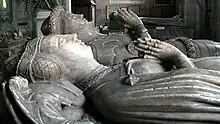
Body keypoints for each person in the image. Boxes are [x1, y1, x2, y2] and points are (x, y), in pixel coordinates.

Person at [14, 33, 220, 123]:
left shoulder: (112, 74)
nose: (72, 36)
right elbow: (198, 96)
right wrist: (178, 57)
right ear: (51, 64)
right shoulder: (112, 96)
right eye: (62, 42)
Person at [41, 6, 220, 65]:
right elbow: (150, 57)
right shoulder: (98, 53)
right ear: (71, 34)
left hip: (184, 46)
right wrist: (138, 26)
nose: (81, 16)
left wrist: (127, 27)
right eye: (73, 18)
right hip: (188, 56)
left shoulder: (98, 41)